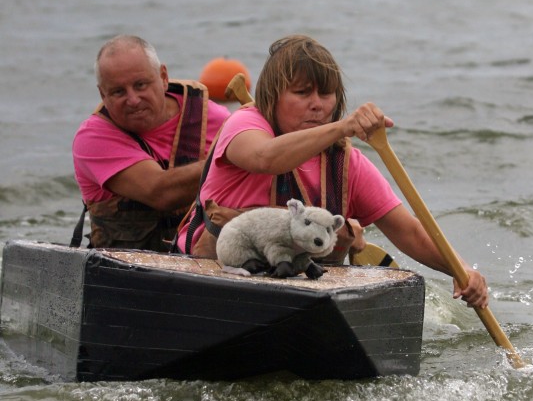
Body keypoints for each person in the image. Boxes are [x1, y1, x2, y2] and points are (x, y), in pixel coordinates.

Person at [175, 35, 488, 308]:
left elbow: (410, 231)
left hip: (294, 290)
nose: (317, 105)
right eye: (302, 93)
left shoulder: (345, 165)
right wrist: (345, 126)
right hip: (213, 276)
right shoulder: (245, 125)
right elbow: (266, 158)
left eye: (325, 94)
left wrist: (462, 271)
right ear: (272, 97)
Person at [72, 34, 230, 251]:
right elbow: (160, 193)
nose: (133, 99)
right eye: (118, 91)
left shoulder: (217, 120)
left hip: (207, 262)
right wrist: (230, 159)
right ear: (102, 94)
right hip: (124, 270)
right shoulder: (92, 138)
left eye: (141, 85)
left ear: (163, 77)